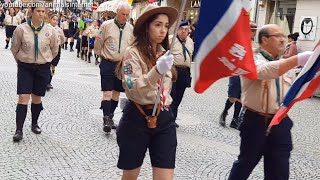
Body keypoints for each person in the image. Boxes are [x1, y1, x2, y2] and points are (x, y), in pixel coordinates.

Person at [228, 24, 313, 180]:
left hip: (279, 122)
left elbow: (296, 86)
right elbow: (264, 71)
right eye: (278, 36)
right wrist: (298, 59)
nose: (283, 40)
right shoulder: (250, 59)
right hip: (255, 120)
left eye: (283, 35)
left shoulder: (283, 63)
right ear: (264, 39)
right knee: (245, 165)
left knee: (279, 171)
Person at [115, 4, 178, 179]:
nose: (163, 30)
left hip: (164, 118)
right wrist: (156, 71)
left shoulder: (165, 55)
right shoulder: (131, 55)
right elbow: (132, 88)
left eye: (166, 26)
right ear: (146, 26)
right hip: (137, 117)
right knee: (130, 175)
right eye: (158, 25)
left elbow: (167, 88)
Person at [10, 4, 59, 142]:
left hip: (42, 68)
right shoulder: (21, 29)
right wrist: (22, 62)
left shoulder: (50, 30)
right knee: (23, 97)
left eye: (43, 11)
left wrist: (46, 60)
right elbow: (15, 48)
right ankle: (19, 130)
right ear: (31, 12)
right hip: (25, 67)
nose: (41, 14)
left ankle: (34, 123)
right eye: (38, 11)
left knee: (37, 98)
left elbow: (54, 49)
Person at [94, 1, 133, 133]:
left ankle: (110, 116)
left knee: (116, 93)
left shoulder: (130, 29)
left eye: (127, 15)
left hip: (121, 65)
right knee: (107, 92)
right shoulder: (106, 25)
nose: (124, 17)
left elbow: (132, 47)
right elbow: (98, 43)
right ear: (117, 12)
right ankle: (106, 118)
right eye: (122, 14)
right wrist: (100, 56)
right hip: (108, 62)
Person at [219, 22, 258, 129]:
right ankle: (225, 112)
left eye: (254, 31)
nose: (253, 33)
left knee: (241, 98)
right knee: (233, 96)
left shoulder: (255, 45)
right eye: (251, 30)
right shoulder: (238, 42)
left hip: (246, 74)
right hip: (236, 72)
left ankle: (235, 120)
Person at [170, 21, 194, 128]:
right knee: (172, 95)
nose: (184, 31)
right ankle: (169, 119)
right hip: (173, 70)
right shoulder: (171, 40)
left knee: (179, 97)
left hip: (185, 72)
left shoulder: (190, 41)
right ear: (177, 29)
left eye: (186, 29)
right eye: (182, 29)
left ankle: (173, 118)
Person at [47, 14, 65, 91]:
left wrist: (58, 44)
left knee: (53, 66)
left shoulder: (59, 30)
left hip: (57, 49)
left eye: (56, 20)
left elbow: (63, 39)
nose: (55, 21)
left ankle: (49, 81)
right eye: (53, 19)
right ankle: (44, 81)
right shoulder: (46, 28)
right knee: (46, 65)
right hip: (47, 49)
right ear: (50, 20)